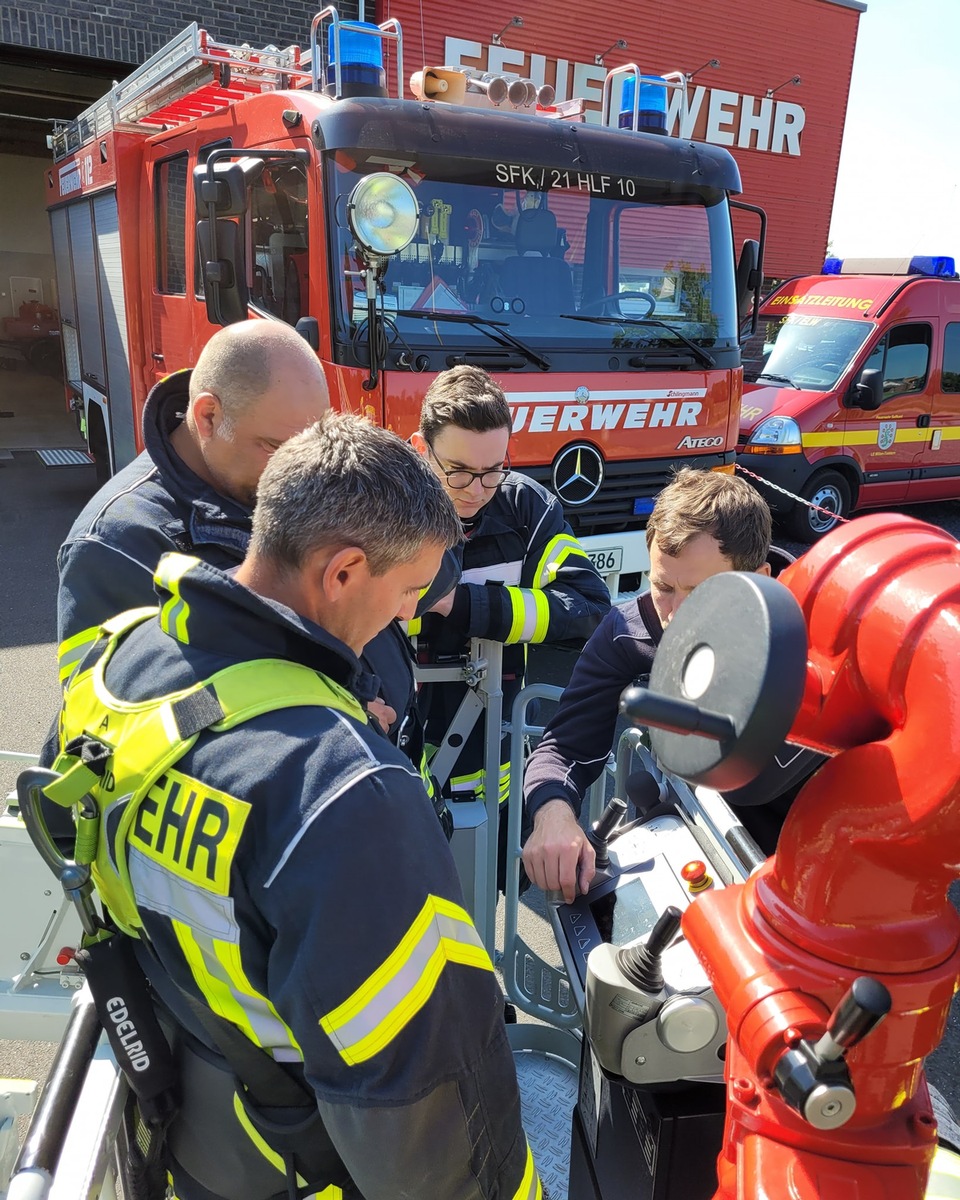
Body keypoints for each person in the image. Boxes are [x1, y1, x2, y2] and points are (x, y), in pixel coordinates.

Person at [44, 413, 540, 1199]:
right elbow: (423, 1114)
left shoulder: (127, 658)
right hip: (302, 1169)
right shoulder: (344, 791)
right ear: (343, 572)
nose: (409, 615)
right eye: (410, 590)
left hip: (193, 1136)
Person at [54, 319, 446, 741]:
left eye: (315, 440)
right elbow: (108, 729)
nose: (301, 469)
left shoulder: (263, 472)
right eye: (277, 447)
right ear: (208, 417)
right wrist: (326, 713)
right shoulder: (116, 544)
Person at [522, 467, 822, 902]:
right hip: (698, 851)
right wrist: (552, 813)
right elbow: (566, 744)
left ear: (759, 577)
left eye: (701, 592)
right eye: (663, 586)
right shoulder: (627, 631)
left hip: (819, 865)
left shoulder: (820, 636)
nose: (677, 616)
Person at [410, 365, 610, 873]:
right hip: (402, 762)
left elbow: (587, 605)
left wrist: (461, 605)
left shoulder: (526, 506)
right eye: (456, 471)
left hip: (494, 761)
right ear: (419, 447)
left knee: (496, 891)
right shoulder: (382, 510)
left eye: (492, 470)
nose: (476, 490)